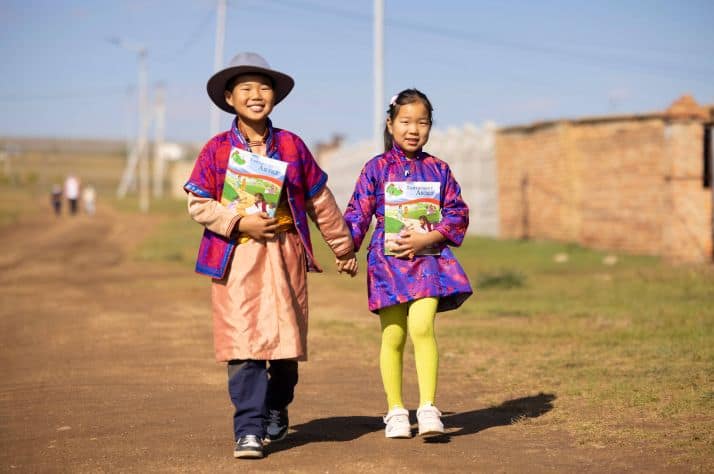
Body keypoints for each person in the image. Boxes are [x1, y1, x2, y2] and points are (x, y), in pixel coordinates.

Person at [184, 52, 357, 460]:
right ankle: (248, 428)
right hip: (236, 261)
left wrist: (343, 246)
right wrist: (239, 223)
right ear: (229, 98)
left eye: (264, 88)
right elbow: (198, 203)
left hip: (284, 257)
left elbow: (320, 201)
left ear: (275, 97)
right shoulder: (216, 150)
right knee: (243, 346)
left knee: (284, 351)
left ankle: (277, 403)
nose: (256, 95)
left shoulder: (293, 147)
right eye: (245, 88)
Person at [343, 88, 472, 439]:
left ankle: (428, 408)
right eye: (405, 121)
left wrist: (427, 238)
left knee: (422, 327)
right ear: (390, 123)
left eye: (422, 122)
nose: (414, 129)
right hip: (386, 265)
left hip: (430, 261)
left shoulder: (439, 169)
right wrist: (345, 250)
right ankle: (396, 410)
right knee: (394, 335)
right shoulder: (375, 168)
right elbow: (357, 214)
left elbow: (458, 213)